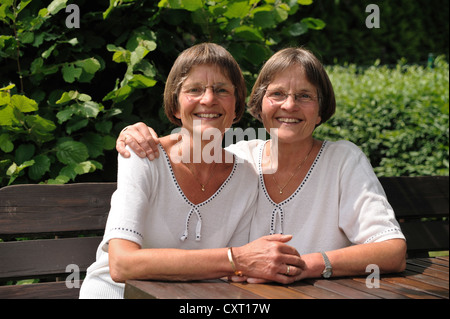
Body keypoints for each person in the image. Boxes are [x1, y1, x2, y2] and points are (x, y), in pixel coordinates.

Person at [117, 47, 407, 283]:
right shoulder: (243, 160)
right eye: (277, 94)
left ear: (320, 111)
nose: (289, 106)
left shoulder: (343, 160)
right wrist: (139, 137)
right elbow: (195, 140)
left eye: (304, 96)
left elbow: (392, 250)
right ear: (259, 105)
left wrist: (306, 265)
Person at [79, 43, 306, 299]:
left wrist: (237, 263)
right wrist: (234, 259)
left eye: (221, 90)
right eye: (194, 89)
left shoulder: (246, 177)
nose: (208, 99)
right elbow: (122, 264)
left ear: (236, 109)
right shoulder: (143, 156)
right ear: (175, 105)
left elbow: (237, 274)